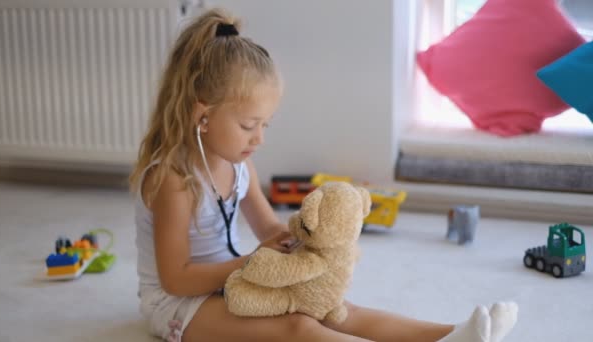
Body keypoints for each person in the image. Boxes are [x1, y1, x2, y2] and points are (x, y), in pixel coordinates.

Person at [129, 7, 518, 342]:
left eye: (266, 125)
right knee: (299, 329)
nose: (259, 139)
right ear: (203, 116)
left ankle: (450, 334)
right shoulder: (174, 179)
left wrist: (300, 245)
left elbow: (267, 227)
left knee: (335, 309)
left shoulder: (237, 163)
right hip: (179, 303)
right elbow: (175, 279)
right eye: (249, 125)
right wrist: (250, 265)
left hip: (232, 281)